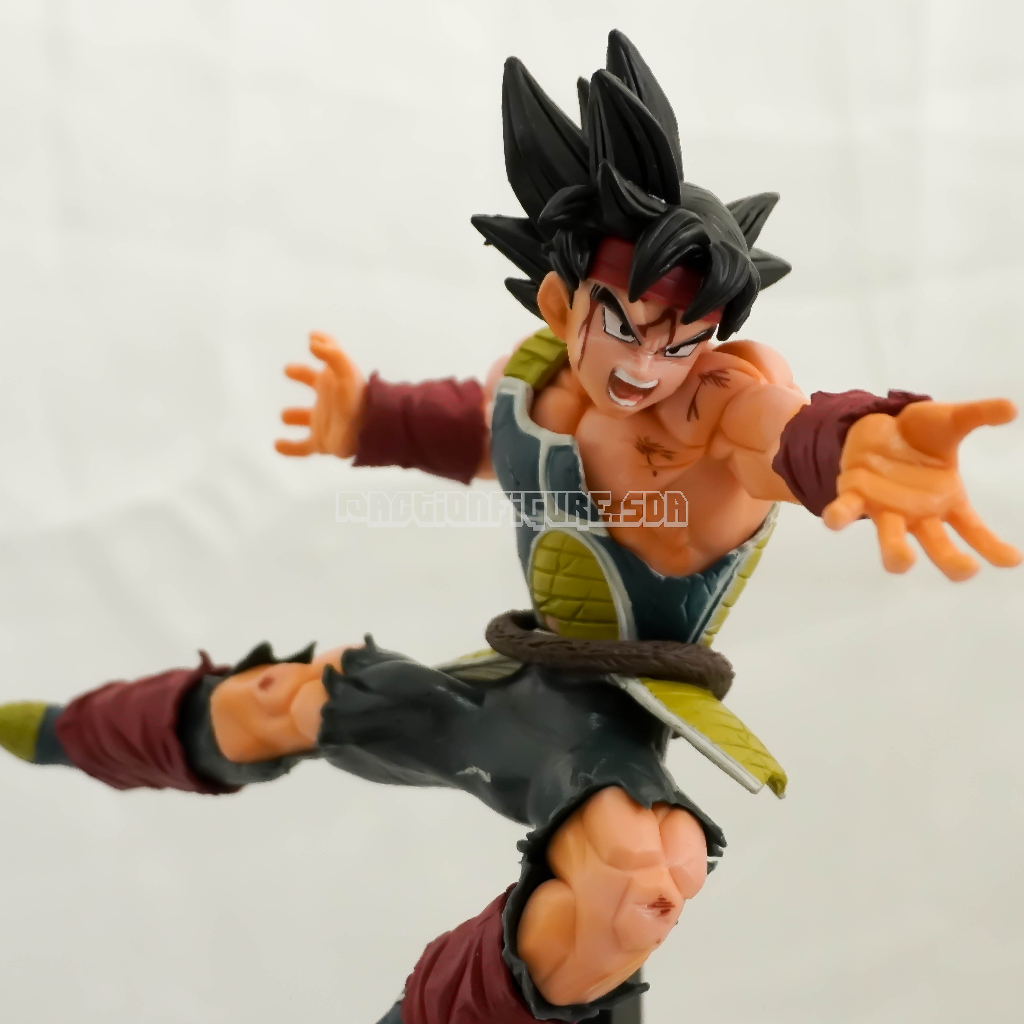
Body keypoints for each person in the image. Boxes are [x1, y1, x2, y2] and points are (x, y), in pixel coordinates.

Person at [1, 31, 1018, 1024]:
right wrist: (367, 418)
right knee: (279, 700)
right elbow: (472, 425)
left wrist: (860, 440)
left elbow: (782, 430)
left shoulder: (711, 407)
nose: (646, 367)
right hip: (510, 692)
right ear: (560, 301)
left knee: (639, 877)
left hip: (606, 730)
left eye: (681, 340)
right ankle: (53, 732)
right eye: (623, 323)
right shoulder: (535, 382)